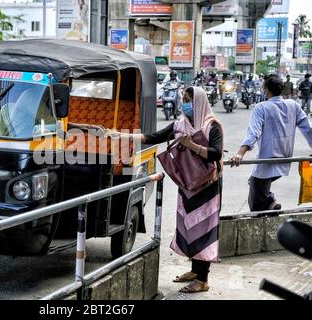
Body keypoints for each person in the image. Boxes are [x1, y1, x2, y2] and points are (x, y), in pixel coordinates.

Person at [109, 87, 224, 293]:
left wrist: (191, 145)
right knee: (188, 227)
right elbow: (154, 137)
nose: (185, 104)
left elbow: (215, 154)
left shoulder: (212, 126)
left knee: (203, 229)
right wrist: (122, 136)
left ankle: (203, 279)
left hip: (207, 187)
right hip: (187, 183)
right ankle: (195, 271)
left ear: (198, 102)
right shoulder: (180, 124)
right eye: (183, 99)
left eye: (188, 100)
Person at [231, 74, 312, 212]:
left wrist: (240, 153)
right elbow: (308, 129)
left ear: (267, 90)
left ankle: (269, 205)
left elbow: (253, 132)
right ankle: (271, 201)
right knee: (254, 182)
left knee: (256, 202)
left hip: (267, 161)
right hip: (285, 159)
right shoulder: (293, 105)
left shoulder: (261, 107)